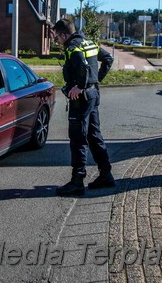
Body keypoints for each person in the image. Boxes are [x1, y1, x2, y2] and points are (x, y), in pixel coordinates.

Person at [49, 18, 115, 196]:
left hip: (82, 98)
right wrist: (96, 80)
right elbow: (108, 58)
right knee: (94, 135)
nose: (56, 40)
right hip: (93, 95)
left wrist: (81, 85)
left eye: (56, 37)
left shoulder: (73, 47)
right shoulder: (89, 43)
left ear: (64, 34)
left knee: (78, 138)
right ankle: (106, 174)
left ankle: (77, 181)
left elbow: (82, 67)